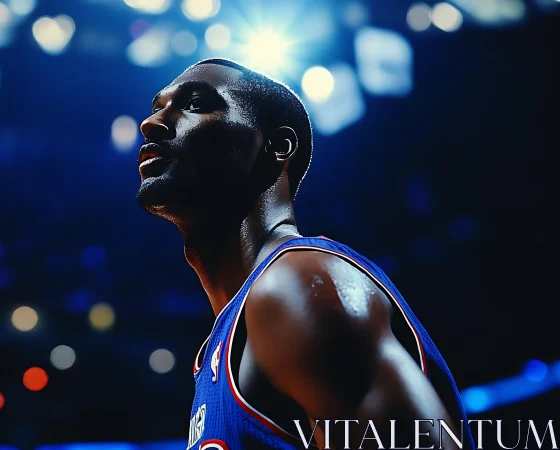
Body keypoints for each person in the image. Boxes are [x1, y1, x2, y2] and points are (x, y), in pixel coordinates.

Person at [135, 58, 474, 450]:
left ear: (278, 146)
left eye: (194, 104)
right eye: (157, 107)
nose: (151, 123)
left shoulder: (295, 283)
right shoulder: (229, 339)